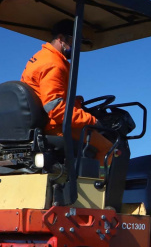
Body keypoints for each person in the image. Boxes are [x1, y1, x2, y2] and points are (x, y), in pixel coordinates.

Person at [21, 19, 113, 163]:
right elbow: (55, 108)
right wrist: (92, 120)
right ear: (61, 39)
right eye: (74, 41)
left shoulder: (40, 57)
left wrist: (74, 100)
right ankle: (100, 185)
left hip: (41, 124)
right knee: (109, 148)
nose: (77, 46)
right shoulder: (53, 64)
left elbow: (43, 93)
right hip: (54, 127)